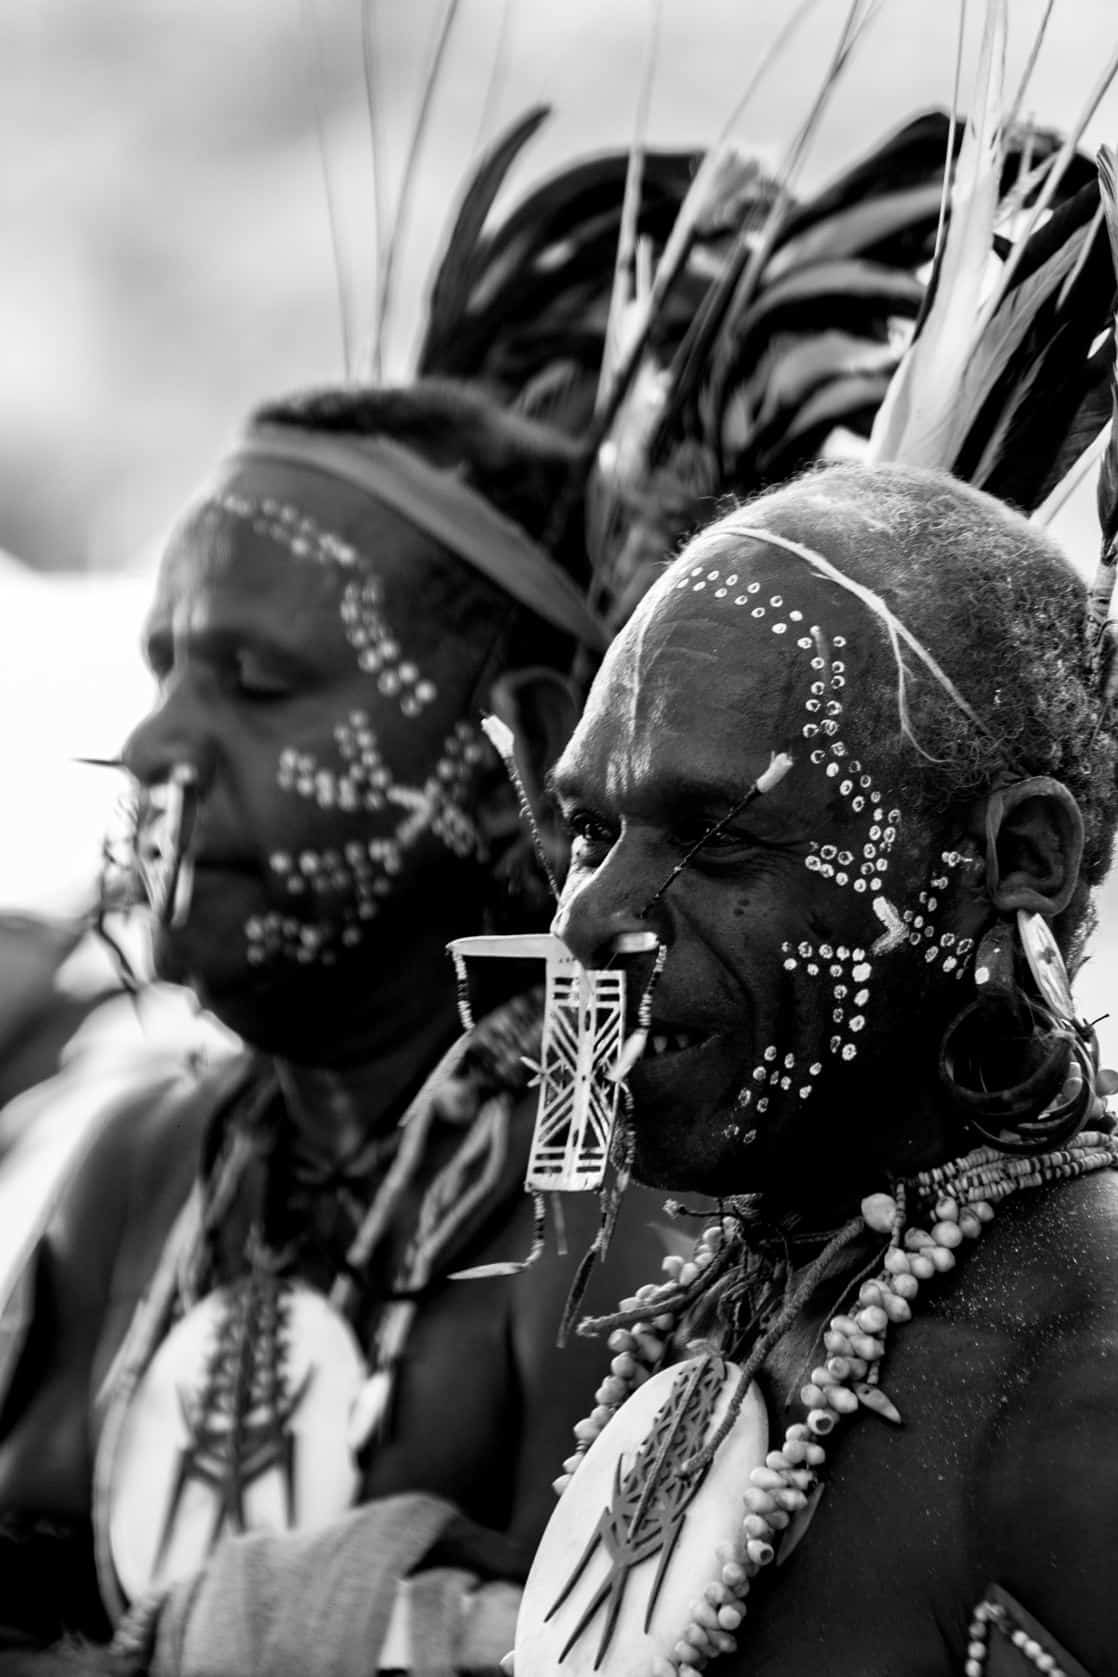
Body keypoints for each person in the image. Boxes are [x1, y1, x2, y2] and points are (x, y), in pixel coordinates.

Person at [0, 380, 671, 1676]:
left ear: (504, 758)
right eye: (165, 669)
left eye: (254, 681)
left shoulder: (601, 1170)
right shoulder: (140, 1161)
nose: (154, 744)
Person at [515, 462, 1118, 1677]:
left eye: (717, 834)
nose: (587, 920)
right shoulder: (749, 1291)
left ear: (1023, 859)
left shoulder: (1084, 1387)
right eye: (588, 831)